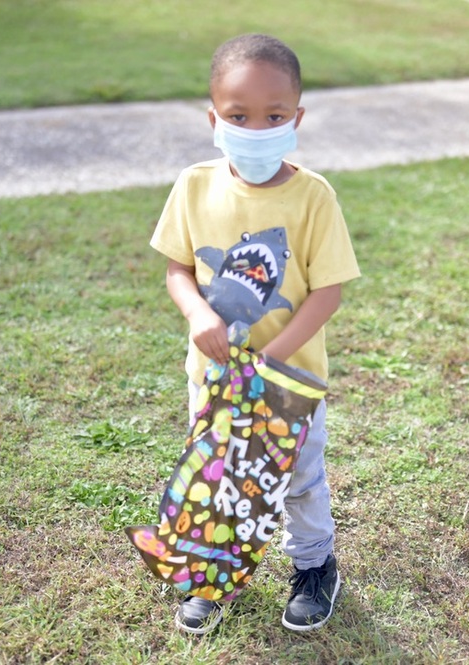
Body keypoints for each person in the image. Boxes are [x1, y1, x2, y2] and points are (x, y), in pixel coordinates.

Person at [149, 33, 361, 635]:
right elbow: (178, 268)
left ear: (296, 118)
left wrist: (269, 357)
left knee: (297, 479)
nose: (256, 127)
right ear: (214, 118)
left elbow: (329, 291)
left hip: (290, 382)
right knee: (222, 478)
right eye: (239, 115)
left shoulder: (313, 197)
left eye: (273, 116)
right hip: (213, 379)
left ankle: (315, 566)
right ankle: (215, 574)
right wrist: (199, 315)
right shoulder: (194, 185)